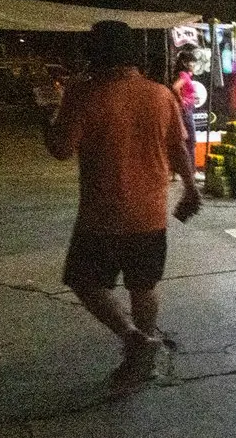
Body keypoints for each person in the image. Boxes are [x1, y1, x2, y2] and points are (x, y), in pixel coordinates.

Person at [44, 21, 201, 386]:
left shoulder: (83, 93)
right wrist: (191, 188)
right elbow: (178, 148)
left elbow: (61, 149)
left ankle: (135, 340)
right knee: (143, 286)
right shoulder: (160, 94)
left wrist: (47, 121)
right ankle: (140, 356)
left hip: (102, 214)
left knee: (84, 280)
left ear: (93, 54)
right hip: (150, 213)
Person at [172, 49, 198, 170]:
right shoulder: (184, 75)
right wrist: (182, 101)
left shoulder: (185, 75)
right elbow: (175, 87)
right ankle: (191, 171)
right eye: (192, 62)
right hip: (186, 110)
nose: (194, 65)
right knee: (191, 141)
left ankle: (182, 170)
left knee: (185, 141)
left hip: (187, 109)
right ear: (185, 63)